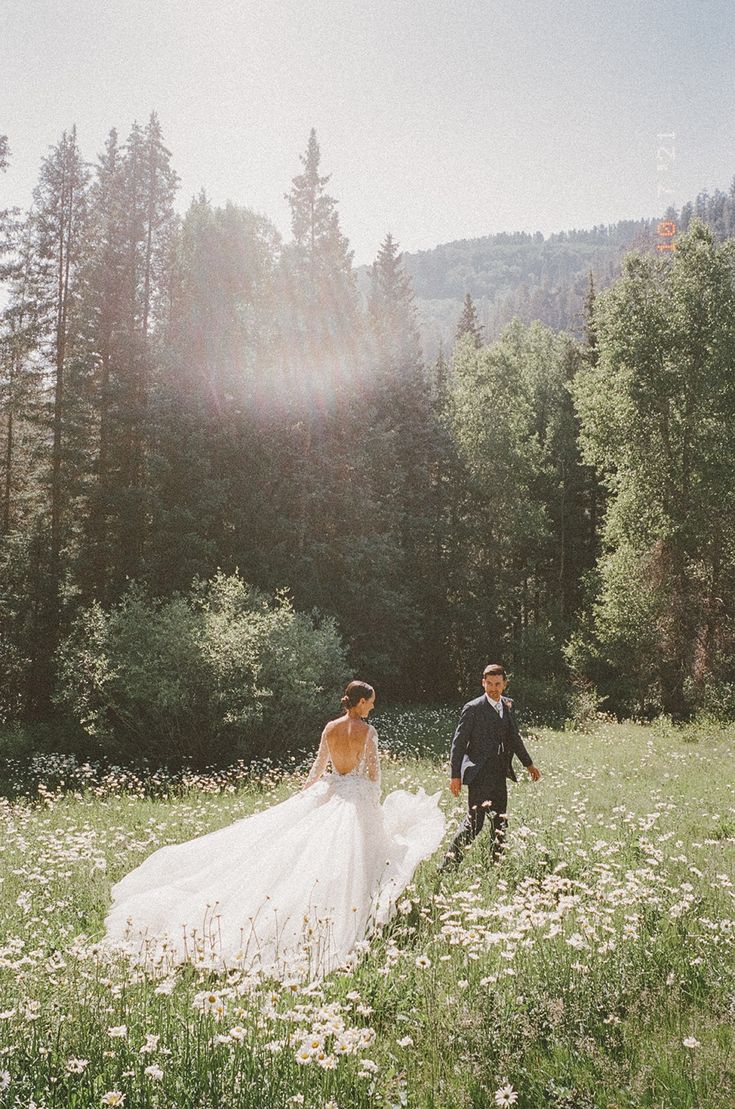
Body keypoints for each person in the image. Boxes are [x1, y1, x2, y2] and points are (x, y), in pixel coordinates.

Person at [103, 681, 445, 978]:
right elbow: (373, 775)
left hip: (330, 791)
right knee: (348, 863)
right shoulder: (367, 732)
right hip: (353, 800)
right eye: (370, 702)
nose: (373, 707)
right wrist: (372, 801)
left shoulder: (329, 728)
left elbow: (317, 768)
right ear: (359, 702)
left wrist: (308, 796)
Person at [439, 664, 540, 872]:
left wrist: (528, 764)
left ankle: (495, 866)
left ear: (504, 684)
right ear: (483, 683)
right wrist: (455, 775)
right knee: (474, 823)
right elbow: (458, 744)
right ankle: (447, 867)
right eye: (489, 684)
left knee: (500, 821)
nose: (494, 688)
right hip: (479, 774)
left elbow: (514, 738)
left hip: (500, 773)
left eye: (498, 684)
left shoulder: (508, 705)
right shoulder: (473, 708)